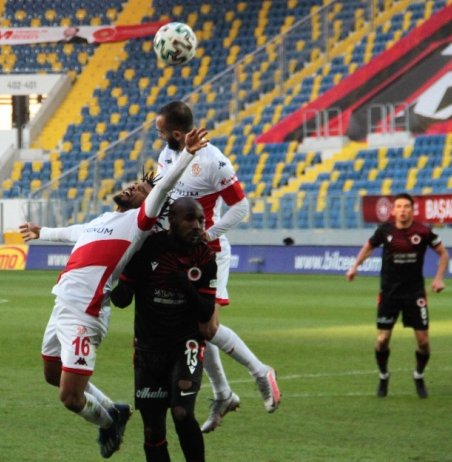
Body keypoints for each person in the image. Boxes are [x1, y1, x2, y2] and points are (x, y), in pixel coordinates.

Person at [20, 128, 209, 458]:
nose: (135, 186)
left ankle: (108, 421)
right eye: (136, 184)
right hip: (61, 307)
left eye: (142, 190)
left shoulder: (138, 224)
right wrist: (42, 231)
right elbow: (74, 232)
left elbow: (163, 188)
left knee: (71, 398)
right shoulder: (103, 220)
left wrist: (187, 155)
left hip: (85, 313)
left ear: (149, 204)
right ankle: (114, 409)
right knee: (52, 374)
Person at [155, 101, 280, 432]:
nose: (158, 135)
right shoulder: (166, 156)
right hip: (180, 250)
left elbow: (241, 206)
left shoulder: (213, 160)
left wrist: (208, 234)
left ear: (177, 133)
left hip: (209, 253)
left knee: (207, 328)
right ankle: (223, 394)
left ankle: (260, 371)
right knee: (195, 329)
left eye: (162, 131)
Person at [111, 197, 216, 462]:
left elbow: (205, 311)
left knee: (182, 413)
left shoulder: (205, 255)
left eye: (201, 220)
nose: (197, 226)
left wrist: (184, 286)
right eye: (190, 219)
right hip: (149, 350)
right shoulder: (148, 248)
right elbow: (122, 298)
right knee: (152, 428)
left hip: (186, 346)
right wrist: (110, 282)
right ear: (172, 221)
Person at [346, 192, 449, 398]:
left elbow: (443, 254)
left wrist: (438, 278)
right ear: (393, 210)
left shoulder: (422, 231)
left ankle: (418, 375)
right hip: (389, 294)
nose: (402, 210)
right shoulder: (385, 231)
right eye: (399, 207)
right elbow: (368, 247)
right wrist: (355, 266)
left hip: (415, 294)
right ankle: (384, 376)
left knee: (423, 342)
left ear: (413, 210)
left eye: (406, 207)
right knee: (382, 339)